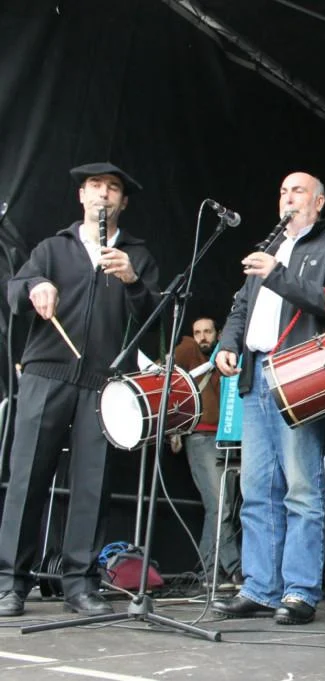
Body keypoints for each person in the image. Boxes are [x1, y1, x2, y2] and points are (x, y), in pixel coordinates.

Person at [0, 162, 160, 617]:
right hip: (47, 374)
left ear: (123, 202)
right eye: (95, 187)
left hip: (104, 382)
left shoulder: (138, 256)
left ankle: (80, 584)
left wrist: (132, 282)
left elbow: (154, 322)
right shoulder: (53, 247)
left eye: (113, 188)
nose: (103, 194)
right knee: (27, 479)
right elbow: (15, 291)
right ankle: (10, 583)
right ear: (82, 197)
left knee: (94, 482)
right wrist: (36, 286)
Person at [212, 172, 325, 625]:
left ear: (318, 201)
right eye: (282, 191)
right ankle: (260, 587)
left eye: (297, 191)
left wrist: (278, 274)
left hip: (300, 376)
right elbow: (241, 307)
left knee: (301, 488)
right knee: (256, 490)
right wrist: (227, 344)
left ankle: (299, 591)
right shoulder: (270, 247)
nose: (287, 197)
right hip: (255, 376)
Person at [172, 316, 242, 588]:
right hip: (201, 437)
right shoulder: (189, 350)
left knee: (221, 509)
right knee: (220, 505)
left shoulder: (227, 355)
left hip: (228, 438)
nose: (202, 337)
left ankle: (209, 572)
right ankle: (235, 568)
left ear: (218, 333)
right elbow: (164, 373)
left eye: (207, 332)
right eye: (197, 332)